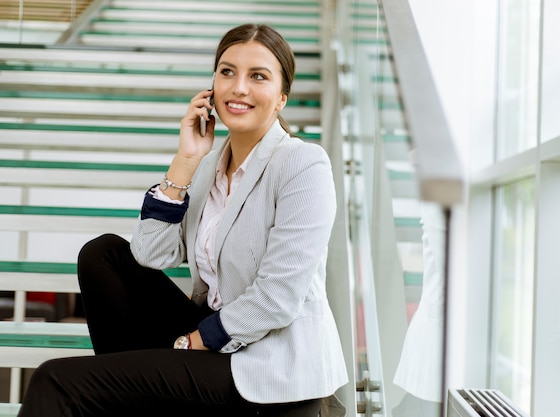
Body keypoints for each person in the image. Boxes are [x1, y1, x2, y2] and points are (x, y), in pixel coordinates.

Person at [18, 23, 348, 417]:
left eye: (257, 76)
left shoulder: (302, 163)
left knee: (55, 380)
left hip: (267, 367)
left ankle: (129, 398)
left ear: (281, 98)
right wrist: (186, 160)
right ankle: (134, 399)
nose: (239, 87)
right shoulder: (210, 166)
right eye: (227, 72)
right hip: (215, 341)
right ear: (212, 86)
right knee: (103, 254)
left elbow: (277, 299)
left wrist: (190, 343)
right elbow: (149, 253)